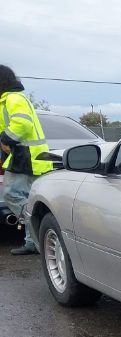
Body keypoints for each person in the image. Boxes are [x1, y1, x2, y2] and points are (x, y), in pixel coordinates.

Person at [0, 65, 52, 255]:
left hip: (26, 156)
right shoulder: (10, 99)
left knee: (11, 194)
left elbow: (22, 123)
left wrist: (5, 139)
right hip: (29, 156)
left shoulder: (13, 98)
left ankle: (37, 217)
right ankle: (32, 242)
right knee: (30, 196)